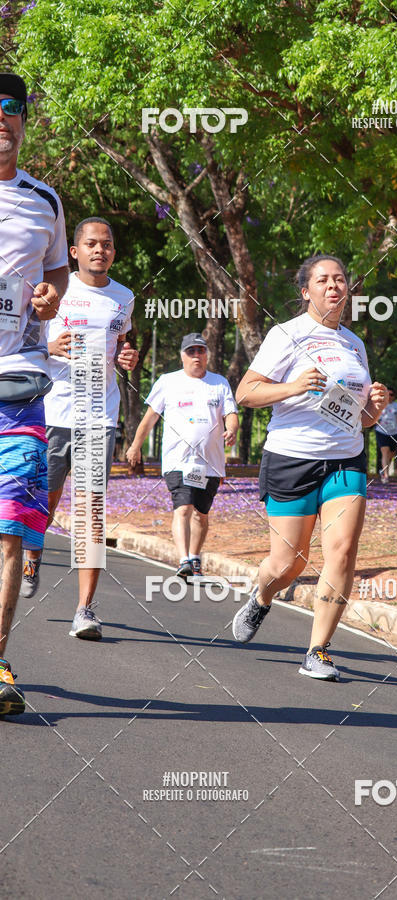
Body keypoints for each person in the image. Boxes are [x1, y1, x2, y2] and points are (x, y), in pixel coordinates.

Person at [232, 255, 388, 681]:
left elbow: (361, 419)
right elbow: (246, 393)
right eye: (323, 280)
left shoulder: (354, 345)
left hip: (346, 458)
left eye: (340, 280)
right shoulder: (287, 334)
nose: (333, 286)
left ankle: (318, 650)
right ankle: (261, 596)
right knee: (288, 565)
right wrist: (293, 386)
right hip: (292, 457)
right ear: (306, 292)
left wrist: (374, 409)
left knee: (342, 551)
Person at [20, 217, 138, 644]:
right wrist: (50, 347)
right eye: (91, 244)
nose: (99, 251)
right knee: (44, 505)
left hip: (97, 418)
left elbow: (126, 343)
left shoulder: (123, 298)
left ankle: (85, 609)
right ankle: (33, 553)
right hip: (51, 412)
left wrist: (129, 357)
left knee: (90, 513)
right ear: (74, 251)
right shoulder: (52, 290)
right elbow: (19, 340)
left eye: (106, 244)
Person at [0, 73, 69, 715]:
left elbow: (56, 275)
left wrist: (51, 298)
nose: (2, 117)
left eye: (11, 107)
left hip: (17, 381)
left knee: (11, 530)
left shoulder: (43, 200)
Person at [126, 333, 238, 578]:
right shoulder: (168, 382)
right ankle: (183, 559)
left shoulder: (219, 383)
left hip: (210, 463)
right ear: (182, 356)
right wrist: (136, 446)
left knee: (201, 513)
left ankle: (195, 558)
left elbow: (231, 413)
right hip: (178, 460)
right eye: (191, 351)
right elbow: (150, 418)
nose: (196, 356)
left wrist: (232, 429)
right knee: (183, 507)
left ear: (206, 354)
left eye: (200, 351)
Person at [375, 389, 397, 483]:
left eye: (391, 394)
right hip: (381, 431)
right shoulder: (379, 404)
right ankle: (386, 475)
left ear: (394, 396)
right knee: (385, 452)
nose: (389, 396)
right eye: (387, 394)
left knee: (391, 453)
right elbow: (373, 417)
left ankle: (383, 470)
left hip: (394, 432)